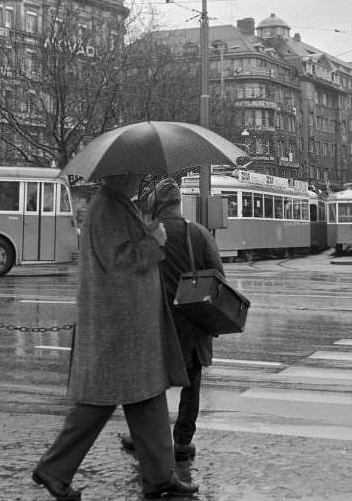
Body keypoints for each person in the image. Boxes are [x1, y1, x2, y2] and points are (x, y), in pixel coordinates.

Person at [32, 173, 197, 501]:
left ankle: (160, 477)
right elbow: (119, 260)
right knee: (98, 402)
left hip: (130, 324)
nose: (139, 181)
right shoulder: (107, 207)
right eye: (135, 175)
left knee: (147, 397)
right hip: (120, 325)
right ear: (121, 176)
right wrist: (155, 241)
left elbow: (123, 250)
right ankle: (53, 470)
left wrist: (147, 233)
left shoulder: (117, 204)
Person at [120, 178, 222, 461]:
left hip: (155, 324)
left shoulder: (145, 235)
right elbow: (219, 279)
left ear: (155, 205)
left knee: (150, 384)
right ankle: (182, 443)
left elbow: (129, 277)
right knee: (192, 383)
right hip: (192, 324)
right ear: (179, 205)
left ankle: (144, 437)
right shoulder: (199, 234)